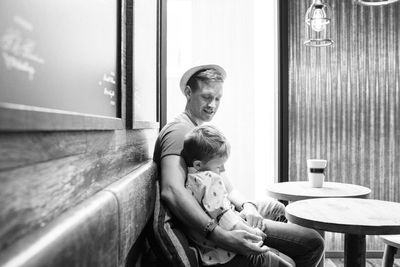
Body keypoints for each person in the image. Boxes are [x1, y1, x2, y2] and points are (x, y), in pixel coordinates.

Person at [152, 64, 324, 267]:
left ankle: (275, 254)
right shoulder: (180, 132)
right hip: (217, 216)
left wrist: (247, 206)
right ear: (188, 93)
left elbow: (227, 184)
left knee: (276, 208)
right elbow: (172, 191)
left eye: (218, 98)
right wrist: (220, 236)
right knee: (313, 242)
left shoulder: (202, 131)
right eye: (207, 97)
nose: (213, 105)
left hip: (226, 206)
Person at [182, 124, 295, 267]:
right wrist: (253, 232)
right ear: (198, 164)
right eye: (219, 166)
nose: (223, 170)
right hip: (227, 252)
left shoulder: (190, 180)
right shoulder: (209, 179)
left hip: (210, 252)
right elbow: (224, 217)